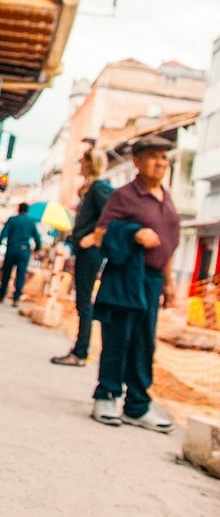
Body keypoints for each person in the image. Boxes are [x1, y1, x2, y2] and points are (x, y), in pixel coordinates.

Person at [88, 135, 180, 432]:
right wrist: (134, 233)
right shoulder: (125, 196)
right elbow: (101, 234)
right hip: (126, 277)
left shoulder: (167, 198)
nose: (160, 162)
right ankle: (106, 395)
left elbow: (167, 245)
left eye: (164, 157)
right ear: (136, 162)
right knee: (118, 337)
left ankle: (137, 406)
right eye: (153, 156)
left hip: (152, 280)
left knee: (144, 343)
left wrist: (168, 283)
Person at [51, 149, 112, 367]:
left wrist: (93, 238)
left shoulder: (99, 188)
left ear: (90, 163)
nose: (80, 165)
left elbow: (110, 214)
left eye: (83, 161)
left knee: (84, 302)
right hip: (83, 250)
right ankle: (80, 349)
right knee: (82, 301)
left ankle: (80, 351)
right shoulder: (90, 189)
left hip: (90, 251)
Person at [0, 204, 42, 305]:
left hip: (11, 249)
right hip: (24, 250)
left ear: (18, 209)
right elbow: (37, 237)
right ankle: (16, 298)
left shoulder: (12, 220)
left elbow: (4, 233)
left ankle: (2, 294)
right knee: (20, 275)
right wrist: (37, 248)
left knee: (6, 273)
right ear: (27, 211)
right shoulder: (31, 222)